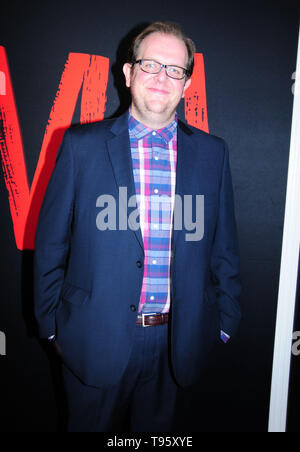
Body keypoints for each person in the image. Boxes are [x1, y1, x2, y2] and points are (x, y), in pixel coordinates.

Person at [34, 21, 242, 432]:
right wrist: (54, 330)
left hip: (177, 345)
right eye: (150, 65)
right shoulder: (81, 147)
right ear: (128, 74)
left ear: (186, 83)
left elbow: (225, 249)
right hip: (94, 340)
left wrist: (223, 325)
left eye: (174, 69)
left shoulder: (212, 154)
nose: (161, 77)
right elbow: (51, 245)